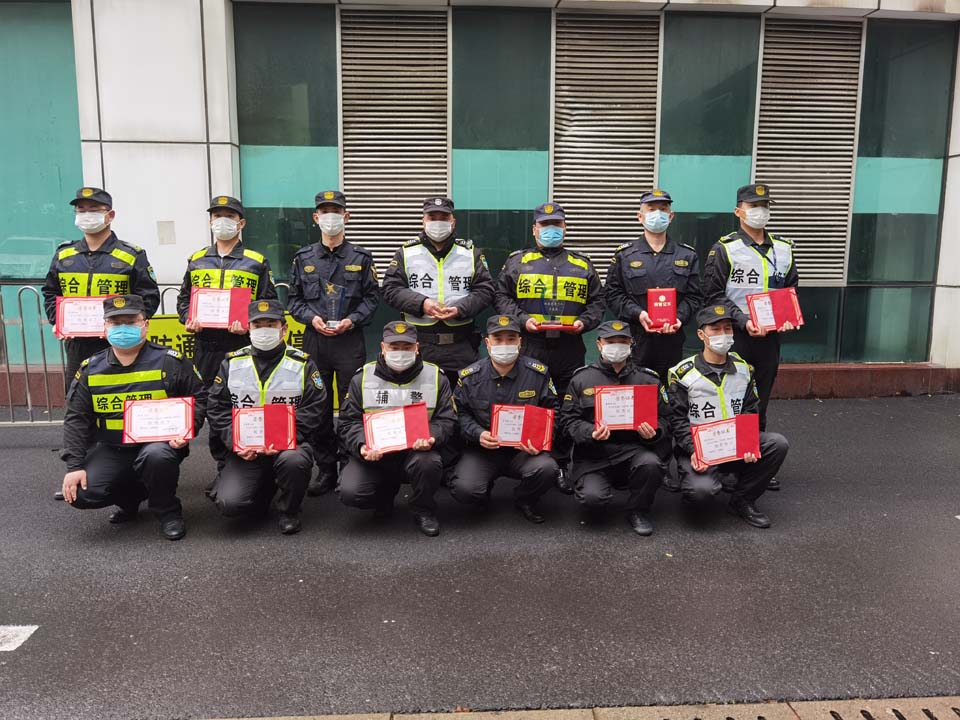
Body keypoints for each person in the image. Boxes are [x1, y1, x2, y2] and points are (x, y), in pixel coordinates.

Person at [59, 295, 204, 541]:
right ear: (105, 327)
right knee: (81, 493)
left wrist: (188, 428)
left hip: (158, 445)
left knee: (156, 457)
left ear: (145, 324)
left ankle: (168, 511)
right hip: (112, 446)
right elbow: (76, 419)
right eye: (116, 323)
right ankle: (131, 498)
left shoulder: (170, 361)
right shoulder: (90, 368)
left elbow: (199, 397)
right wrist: (74, 466)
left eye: (131, 321)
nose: (123, 328)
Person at [494, 202, 604, 493]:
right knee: (531, 402)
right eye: (545, 224)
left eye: (556, 224)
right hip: (531, 345)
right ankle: (531, 461)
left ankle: (563, 464)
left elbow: (598, 301)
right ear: (534, 229)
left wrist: (585, 321)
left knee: (569, 405)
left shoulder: (582, 264)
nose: (551, 229)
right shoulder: (517, 262)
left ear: (565, 228)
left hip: (569, 347)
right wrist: (522, 320)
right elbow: (501, 296)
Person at [702, 183, 798, 490]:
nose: (760, 211)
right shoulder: (725, 248)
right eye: (753, 206)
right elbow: (713, 295)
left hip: (769, 339)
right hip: (735, 336)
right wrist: (743, 321)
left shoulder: (784, 248)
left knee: (760, 401)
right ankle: (725, 462)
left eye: (765, 205)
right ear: (738, 211)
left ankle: (756, 462)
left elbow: (790, 289)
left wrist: (787, 317)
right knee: (730, 399)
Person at [176, 195, 278, 482]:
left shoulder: (256, 261)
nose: (223, 221)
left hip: (241, 345)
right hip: (205, 347)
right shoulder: (196, 260)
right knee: (213, 406)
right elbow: (184, 300)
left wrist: (249, 324)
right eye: (217, 216)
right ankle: (224, 467)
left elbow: (269, 303)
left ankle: (254, 463)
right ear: (210, 221)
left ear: (241, 223)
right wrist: (188, 319)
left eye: (229, 217)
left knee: (243, 402)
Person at [204, 300, 329, 535]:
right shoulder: (232, 362)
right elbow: (217, 408)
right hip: (246, 449)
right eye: (257, 325)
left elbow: (315, 407)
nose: (264, 330)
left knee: (294, 461)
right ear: (248, 328)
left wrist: (285, 437)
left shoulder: (302, 363)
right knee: (230, 504)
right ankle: (261, 488)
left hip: (287, 445)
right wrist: (234, 442)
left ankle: (289, 511)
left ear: (284, 329)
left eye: (270, 325)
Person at [287, 190, 380, 497]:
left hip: (348, 340)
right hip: (315, 341)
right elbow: (294, 300)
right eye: (324, 212)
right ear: (316, 218)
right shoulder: (303, 258)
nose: (330, 217)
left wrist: (352, 320)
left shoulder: (361, 258)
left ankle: (351, 464)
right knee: (319, 407)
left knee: (353, 404)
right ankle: (326, 468)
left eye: (336, 211)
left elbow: (372, 298)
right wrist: (310, 318)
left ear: (346, 217)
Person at [667, 305, 790, 528]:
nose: (723, 335)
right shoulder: (683, 373)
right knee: (701, 494)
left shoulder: (744, 369)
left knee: (777, 444)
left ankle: (742, 500)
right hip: (700, 448)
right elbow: (677, 421)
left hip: (734, 444)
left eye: (727, 329)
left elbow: (750, 409)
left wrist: (748, 442)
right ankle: (696, 488)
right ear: (701, 335)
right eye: (715, 329)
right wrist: (694, 450)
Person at [337, 321, 458, 536]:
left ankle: (423, 509)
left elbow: (448, 420)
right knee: (351, 491)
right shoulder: (362, 378)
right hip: (376, 454)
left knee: (428, 463)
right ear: (383, 347)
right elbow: (348, 422)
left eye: (407, 347)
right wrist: (363, 444)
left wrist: (431, 437)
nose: (400, 352)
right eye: (394, 347)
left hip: (417, 451)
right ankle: (383, 497)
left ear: (417, 347)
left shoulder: (436, 377)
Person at [559, 320, 671, 536]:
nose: (617, 346)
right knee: (593, 500)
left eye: (622, 341)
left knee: (652, 464)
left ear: (631, 344)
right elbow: (568, 420)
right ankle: (599, 490)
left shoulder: (648, 379)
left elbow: (667, 418)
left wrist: (655, 431)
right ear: (599, 344)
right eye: (610, 341)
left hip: (634, 450)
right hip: (594, 455)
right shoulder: (582, 379)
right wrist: (590, 432)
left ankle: (637, 510)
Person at [42, 187, 160, 392]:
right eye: (81, 210)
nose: (87, 215)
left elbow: (148, 297)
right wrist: (58, 321)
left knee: (121, 394)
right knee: (78, 396)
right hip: (78, 343)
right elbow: (51, 292)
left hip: (119, 343)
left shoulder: (131, 255)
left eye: (94, 210)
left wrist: (128, 326)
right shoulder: (64, 254)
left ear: (110, 215)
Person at [451, 314, 558, 523]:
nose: (504, 345)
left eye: (510, 339)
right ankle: (482, 493)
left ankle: (525, 498)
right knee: (465, 489)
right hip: (483, 450)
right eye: (498, 339)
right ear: (487, 343)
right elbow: (460, 414)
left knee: (547, 469)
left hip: (523, 451)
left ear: (520, 342)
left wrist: (540, 440)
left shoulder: (537, 373)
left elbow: (553, 411)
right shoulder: (470, 376)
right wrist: (478, 434)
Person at [381, 196, 495, 387]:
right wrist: (422, 304)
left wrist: (460, 309)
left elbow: (486, 290)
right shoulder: (406, 252)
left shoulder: (470, 253)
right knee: (420, 400)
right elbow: (391, 289)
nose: (438, 222)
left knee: (463, 399)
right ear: (423, 221)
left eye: (443, 217)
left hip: (461, 345)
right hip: (419, 344)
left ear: (453, 221)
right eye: (432, 217)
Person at [604, 189, 702, 384]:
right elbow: (613, 294)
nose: (658, 214)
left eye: (663, 209)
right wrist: (638, 314)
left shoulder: (687, 255)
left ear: (671, 216)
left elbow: (695, 296)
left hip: (672, 341)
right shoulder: (625, 255)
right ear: (640, 217)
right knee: (638, 392)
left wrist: (678, 317)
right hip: (636, 340)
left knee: (672, 392)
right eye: (651, 209)